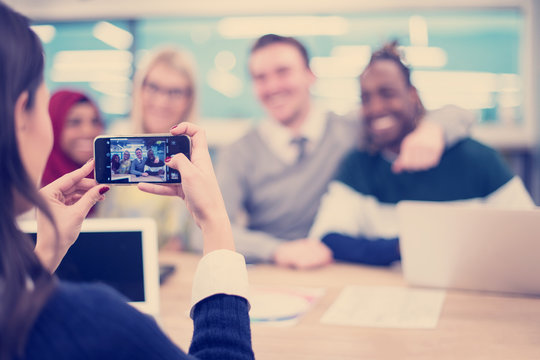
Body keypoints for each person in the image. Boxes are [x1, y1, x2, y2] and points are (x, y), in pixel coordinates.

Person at [0, 4, 253, 360]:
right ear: (20, 115)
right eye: (47, 105)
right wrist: (215, 220)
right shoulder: (98, 322)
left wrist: (44, 254)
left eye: (175, 91)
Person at [215, 34, 475, 265]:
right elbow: (209, 229)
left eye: (283, 72)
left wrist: (432, 130)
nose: (272, 87)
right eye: (261, 78)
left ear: (310, 75)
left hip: (341, 265)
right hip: (274, 270)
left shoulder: (350, 128)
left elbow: (459, 113)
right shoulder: (238, 153)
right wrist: (277, 250)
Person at [304, 41, 534, 267]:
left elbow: (530, 236)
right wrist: (402, 247)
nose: (375, 108)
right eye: (366, 98)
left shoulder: (478, 159)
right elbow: (327, 237)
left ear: (412, 95)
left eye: (387, 93)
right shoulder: (359, 164)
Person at [99, 47, 197, 248]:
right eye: (153, 87)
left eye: (175, 92)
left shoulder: (198, 156)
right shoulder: (117, 142)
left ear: (189, 99)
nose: (162, 101)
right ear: (140, 89)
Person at [41, 89, 104, 187]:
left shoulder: (106, 182)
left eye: (95, 121)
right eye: (75, 122)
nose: (88, 131)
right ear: (53, 127)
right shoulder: (32, 189)